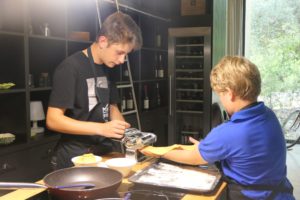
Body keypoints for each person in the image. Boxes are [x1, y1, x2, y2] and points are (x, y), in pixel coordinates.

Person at [141, 56, 295, 200]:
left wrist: (154, 151)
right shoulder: (268, 115)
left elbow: (193, 158)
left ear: (230, 93)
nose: (221, 100)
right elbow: (246, 151)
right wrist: (207, 147)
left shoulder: (230, 132)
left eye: (220, 95)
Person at [46, 12, 142, 169]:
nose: (121, 60)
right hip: (75, 157)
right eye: (119, 52)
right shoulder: (70, 67)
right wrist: (101, 128)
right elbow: (53, 120)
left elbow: (111, 107)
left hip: (104, 151)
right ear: (103, 41)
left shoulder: (110, 67)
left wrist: (129, 135)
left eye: (126, 54)